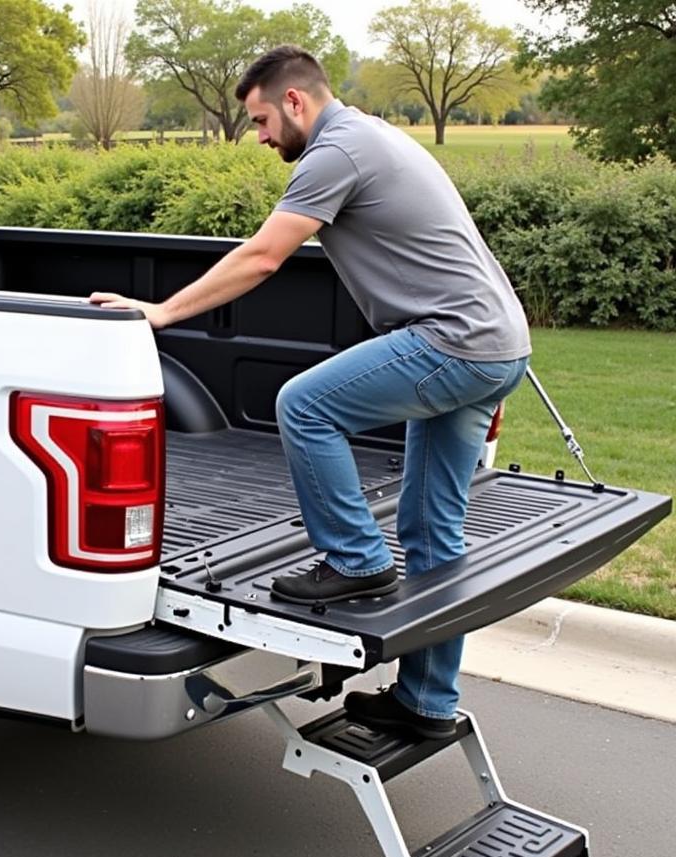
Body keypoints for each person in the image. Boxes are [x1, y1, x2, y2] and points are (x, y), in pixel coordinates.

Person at [89, 45, 531, 740]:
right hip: (495, 343)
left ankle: (357, 563)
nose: (260, 137)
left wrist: (162, 312)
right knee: (433, 533)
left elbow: (265, 255)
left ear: (295, 101)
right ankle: (426, 703)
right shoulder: (376, 137)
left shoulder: (339, 150)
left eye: (262, 120)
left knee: (305, 404)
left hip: (455, 344)